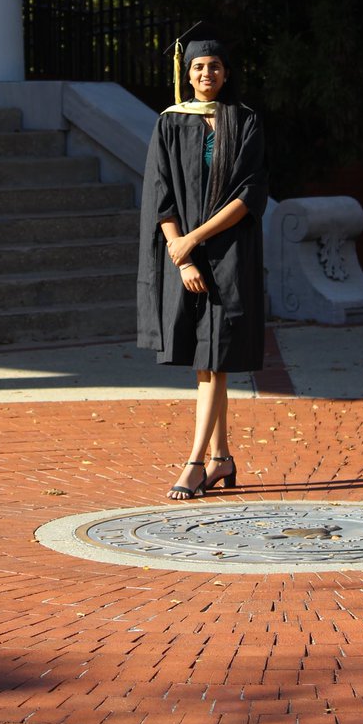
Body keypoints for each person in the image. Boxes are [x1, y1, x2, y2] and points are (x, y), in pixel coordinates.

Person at [137, 28, 267, 499]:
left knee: (215, 358)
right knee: (208, 360)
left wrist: (194, 239)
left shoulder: (244, 121)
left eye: (214, 66)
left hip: (230, 253)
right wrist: (181, 256)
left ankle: (195, 463)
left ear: (226, 73)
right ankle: (222, 458)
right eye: (197, 67)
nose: (206, 74)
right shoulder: (170, 122)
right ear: (186, 74)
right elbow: (159, 193)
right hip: (187, 259)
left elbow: (250, 194)